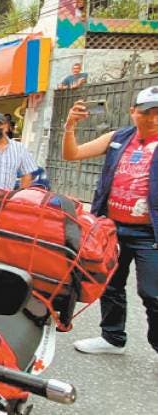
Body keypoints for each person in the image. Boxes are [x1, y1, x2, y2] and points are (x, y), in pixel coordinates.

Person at [63, 85, 157, 355]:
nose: (152, 119)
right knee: (110, 284)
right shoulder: (118, 137)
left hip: (150, 233)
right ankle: (113, 337)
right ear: (133, 111)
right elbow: (72, 154)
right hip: (112, 228)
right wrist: (70, 126)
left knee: (153, 293)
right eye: (146, 112)